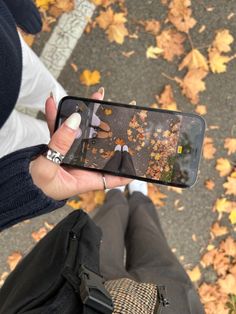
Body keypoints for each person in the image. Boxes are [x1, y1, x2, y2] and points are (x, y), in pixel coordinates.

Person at [0, 0, 67, 158]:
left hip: (9, 58)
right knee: (37, 144)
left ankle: (111, 156)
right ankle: (103, 166)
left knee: (61, 104)